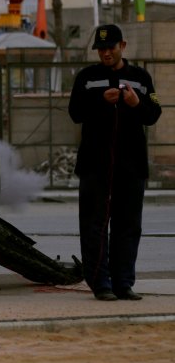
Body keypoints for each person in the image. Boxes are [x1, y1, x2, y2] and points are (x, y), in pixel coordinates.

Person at [68, 24, 162, 301]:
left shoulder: (141, 78)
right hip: (95, 165)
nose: (106, 53)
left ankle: (124, 282)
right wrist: (99, 101)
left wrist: (134, 103)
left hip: (131, 166)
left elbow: (153, 113)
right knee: (94, 225)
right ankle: (100, 283)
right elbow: (75, 112)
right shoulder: (86, 77)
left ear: (123, 46)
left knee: (128, 225)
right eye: (101, 49)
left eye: (111, 48)